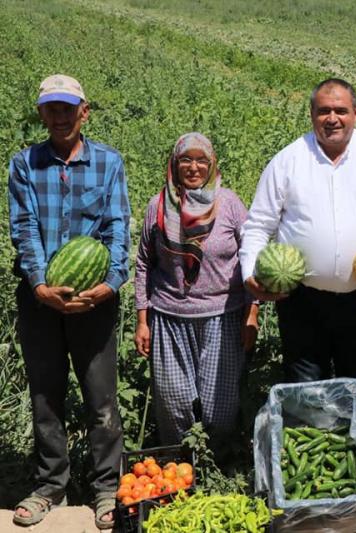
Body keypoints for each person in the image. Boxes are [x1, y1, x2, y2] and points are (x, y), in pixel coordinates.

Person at [8, 74, 130, 529]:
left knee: (101, 401)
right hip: (40, 299)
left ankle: (106, 490)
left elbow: (118, 226)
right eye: (51, 109)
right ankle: (49, 487)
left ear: (84, 112)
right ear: (41, 114)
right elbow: (23, 226)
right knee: (46, 397)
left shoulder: (109, 162)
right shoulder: (25, 164)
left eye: (68, 108)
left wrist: (112, 281)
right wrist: (41, 285)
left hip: (95, 299)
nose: (60, 116)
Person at [240, 78, 356, 389]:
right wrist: (250, 273)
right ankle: (310, 438)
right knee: (305, 390)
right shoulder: (287, 161)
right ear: (311, 114)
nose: (332, 118)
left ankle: (354, 440)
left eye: (340, 110)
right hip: (301, 302)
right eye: (323, 111)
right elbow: (259, 224)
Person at [134, 132, 259, 449]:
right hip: (169, 317)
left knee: (221, 407)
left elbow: (252, 258)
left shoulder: (229, 203)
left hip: (223, 317)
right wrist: (142, 320)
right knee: (174, 405)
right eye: (185, 159)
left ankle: (216, 467)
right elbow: (143, 264)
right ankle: (179, 469)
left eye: (201, 159)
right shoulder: (159, 206)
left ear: (212, 163)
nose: (193, 167)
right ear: (174, 165)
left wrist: (252, 312)